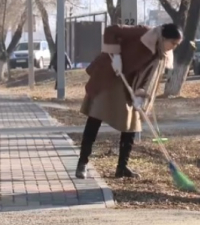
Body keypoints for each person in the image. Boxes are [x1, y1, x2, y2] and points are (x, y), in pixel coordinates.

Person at [75, 23, 182, 180]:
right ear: (164, 37)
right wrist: (116, 56)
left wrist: (141, 96)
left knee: (132, 124)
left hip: (130, 84)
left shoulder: (162, 54)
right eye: (173, 43)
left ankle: (122, 167)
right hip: (109, 76)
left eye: (177, 45)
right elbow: (111, 30)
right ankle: (82, 163)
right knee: (95, 117)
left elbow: (150, 78)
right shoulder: (144, 32)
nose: (173, 48)